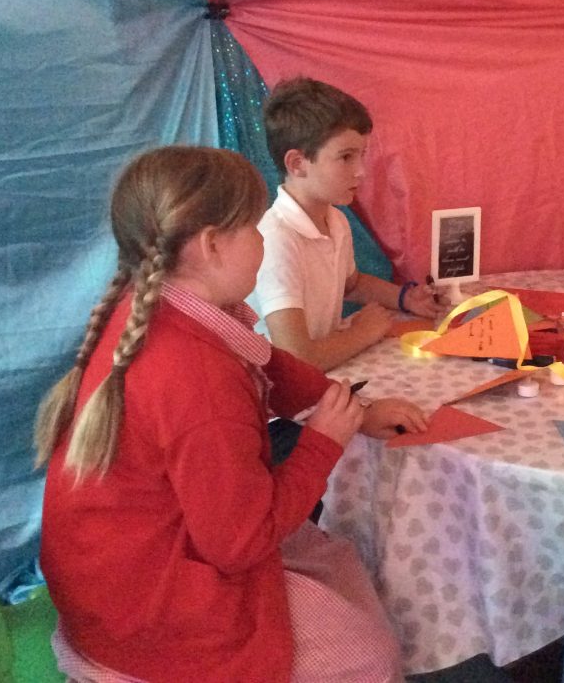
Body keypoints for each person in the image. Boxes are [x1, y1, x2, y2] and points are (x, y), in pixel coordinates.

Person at [35, 145, 426, 683]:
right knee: (370, 659)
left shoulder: (159, 310)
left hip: (112, 576)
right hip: (145, 614)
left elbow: (269, 364)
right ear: (214, 245)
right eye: (255, 230)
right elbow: (240, 541)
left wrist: (355, 410)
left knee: (334, 563)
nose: (263, 242)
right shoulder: (196, 377)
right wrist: (322, 442)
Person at [249, 77, 439, 371]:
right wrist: (362, 332)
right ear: (297, 163)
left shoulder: (335, 220)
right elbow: (297, 359)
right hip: (280, 400)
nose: (361, 171)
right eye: (346, 157)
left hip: (324, 375)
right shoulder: (276, 239)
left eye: (362, 154)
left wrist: (404, 298)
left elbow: (351, 284)